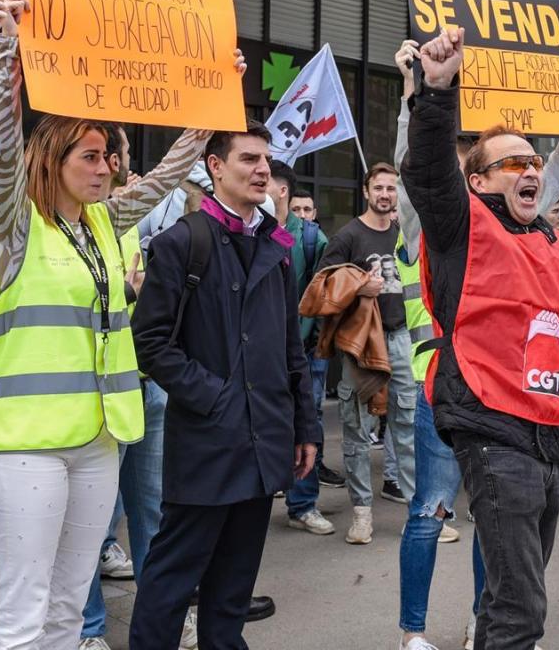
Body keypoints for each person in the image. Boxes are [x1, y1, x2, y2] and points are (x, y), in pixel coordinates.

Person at [0, 4, 223, 649]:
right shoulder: (16, 227)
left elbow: (168, 175)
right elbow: (7, 148)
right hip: (27, 442)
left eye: (110, 157)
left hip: (101, 436)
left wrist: (211, 106)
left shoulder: (103, 224)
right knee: (24, 613)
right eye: (91, 156)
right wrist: (9, 61)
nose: (106, 167)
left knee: (67, 607)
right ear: (53, 159)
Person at [403, 25, 559, 650]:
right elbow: (431, 174)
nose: (532, 171)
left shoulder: (551, 240)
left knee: (503, 599)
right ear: (481, 182)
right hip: (494, 430)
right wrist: (435, 93)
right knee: (524, 612)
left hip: (547, 436)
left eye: (535, 161)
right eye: (514, 163)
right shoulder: (459, 225)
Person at [128, 121, 319, 650]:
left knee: (233, 591)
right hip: (208, 445)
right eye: (249, 160)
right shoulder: (180, 243)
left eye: (266, 161)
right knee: (170, 581)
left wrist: (305, 427)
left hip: (264, 446)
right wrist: (215, 397)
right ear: (216, 166)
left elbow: (290, 349)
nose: (263, 170)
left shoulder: (274, 246)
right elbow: (151, 344)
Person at [321, 161, 416, 545]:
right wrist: (359, 286)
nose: (385, 195)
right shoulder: (348, 236)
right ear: (366, 191)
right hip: (361, 346)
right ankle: (361, 514)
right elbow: (323, 287)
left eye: (391, 189)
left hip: (403, 341)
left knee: (408, 430)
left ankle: (418, 513)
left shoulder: (404, 234)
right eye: (378, 188)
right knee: (357, 431)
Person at [273, 160, 338, 537]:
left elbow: (324, 294)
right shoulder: (249, 232)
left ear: (280, 189)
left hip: (304, 352)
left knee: (307, 423)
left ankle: (303, 504)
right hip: (259, 354)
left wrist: (311, 343)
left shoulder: (311, 239)